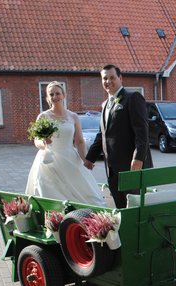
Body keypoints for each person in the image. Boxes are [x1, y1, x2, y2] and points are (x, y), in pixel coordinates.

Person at [25, 81, 105, 206]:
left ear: (64, 95)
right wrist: (44, 144)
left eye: (58, 93)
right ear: (47, 98)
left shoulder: (73, 116)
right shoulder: (43, 116)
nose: (55, 97)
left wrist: (85, 159)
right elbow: (36, 140)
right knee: (50, 190)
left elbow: (79, 141)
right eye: (51, 94)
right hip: (49, 160)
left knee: (83, 190)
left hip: (70, 157)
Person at [85, 64, 153, 208]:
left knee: (134, 208)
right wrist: (90, 158)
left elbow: (142, 132)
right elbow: (102, 134)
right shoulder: (105, 105)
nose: (108, 81)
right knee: (120, 207)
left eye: (112, 77)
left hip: (132, 167)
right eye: (104, 78)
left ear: (120, 78)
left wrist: (139, 158)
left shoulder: (132, 98)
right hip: (112, 169)